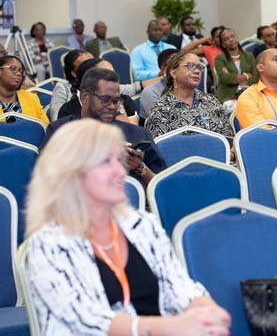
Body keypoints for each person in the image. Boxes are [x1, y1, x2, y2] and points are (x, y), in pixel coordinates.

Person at [25, 118, 231, 336]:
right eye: (106, 162)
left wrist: (205, 309)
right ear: (71, 174)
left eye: (119, 160)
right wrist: (169, 328)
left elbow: (179, 285)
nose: (120, 172)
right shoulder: (48, 244)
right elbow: (86, 320)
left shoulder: (141, 225)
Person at [43, 68, 167, 185]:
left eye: (116, 101)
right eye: (105, 100)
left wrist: (140, 168)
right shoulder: (60, 131)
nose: (112, 107)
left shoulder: (138, 134)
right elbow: (47, 180)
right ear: (85, 97)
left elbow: (162, 185)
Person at [145, 51, 234, 138]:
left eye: (199, 67)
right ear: (173, 73)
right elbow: (160, 145)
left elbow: (228, 137)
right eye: (190, 66)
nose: (197, 71)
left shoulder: (211, 101)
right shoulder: (161, 109)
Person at [58, 58, 147, 124]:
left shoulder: (124, 101)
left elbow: (134, 135)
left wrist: (119, 110)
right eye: (106, 75)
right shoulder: (68, 110)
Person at [0, 55, 48, 125]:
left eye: (21, 71)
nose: (18, 73)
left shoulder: (31, 97)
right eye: (13, 68)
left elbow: (45, 126)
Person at [214, 28, 259, 104]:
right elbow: (225, 78)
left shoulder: (249, 56)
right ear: (223, 44)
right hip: (229, 96)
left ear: (237, 38)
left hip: (249, 93)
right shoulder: (220, 59)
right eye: (226, 39)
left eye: (232, 36)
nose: (231, 40)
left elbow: (257, 76)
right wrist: (246, 75)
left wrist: (246, 81)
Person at [50, 50, 92, 121]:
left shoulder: (103, 85)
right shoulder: (63, 88)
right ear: (74, 73)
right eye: (84, 66)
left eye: (92, 64)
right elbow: (57, 120)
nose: (90, 68)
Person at [139, 48, 179, 121]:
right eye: (177, 66)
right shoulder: (151, 92)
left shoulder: (189, 87)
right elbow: (160, 121)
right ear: (164, 69)